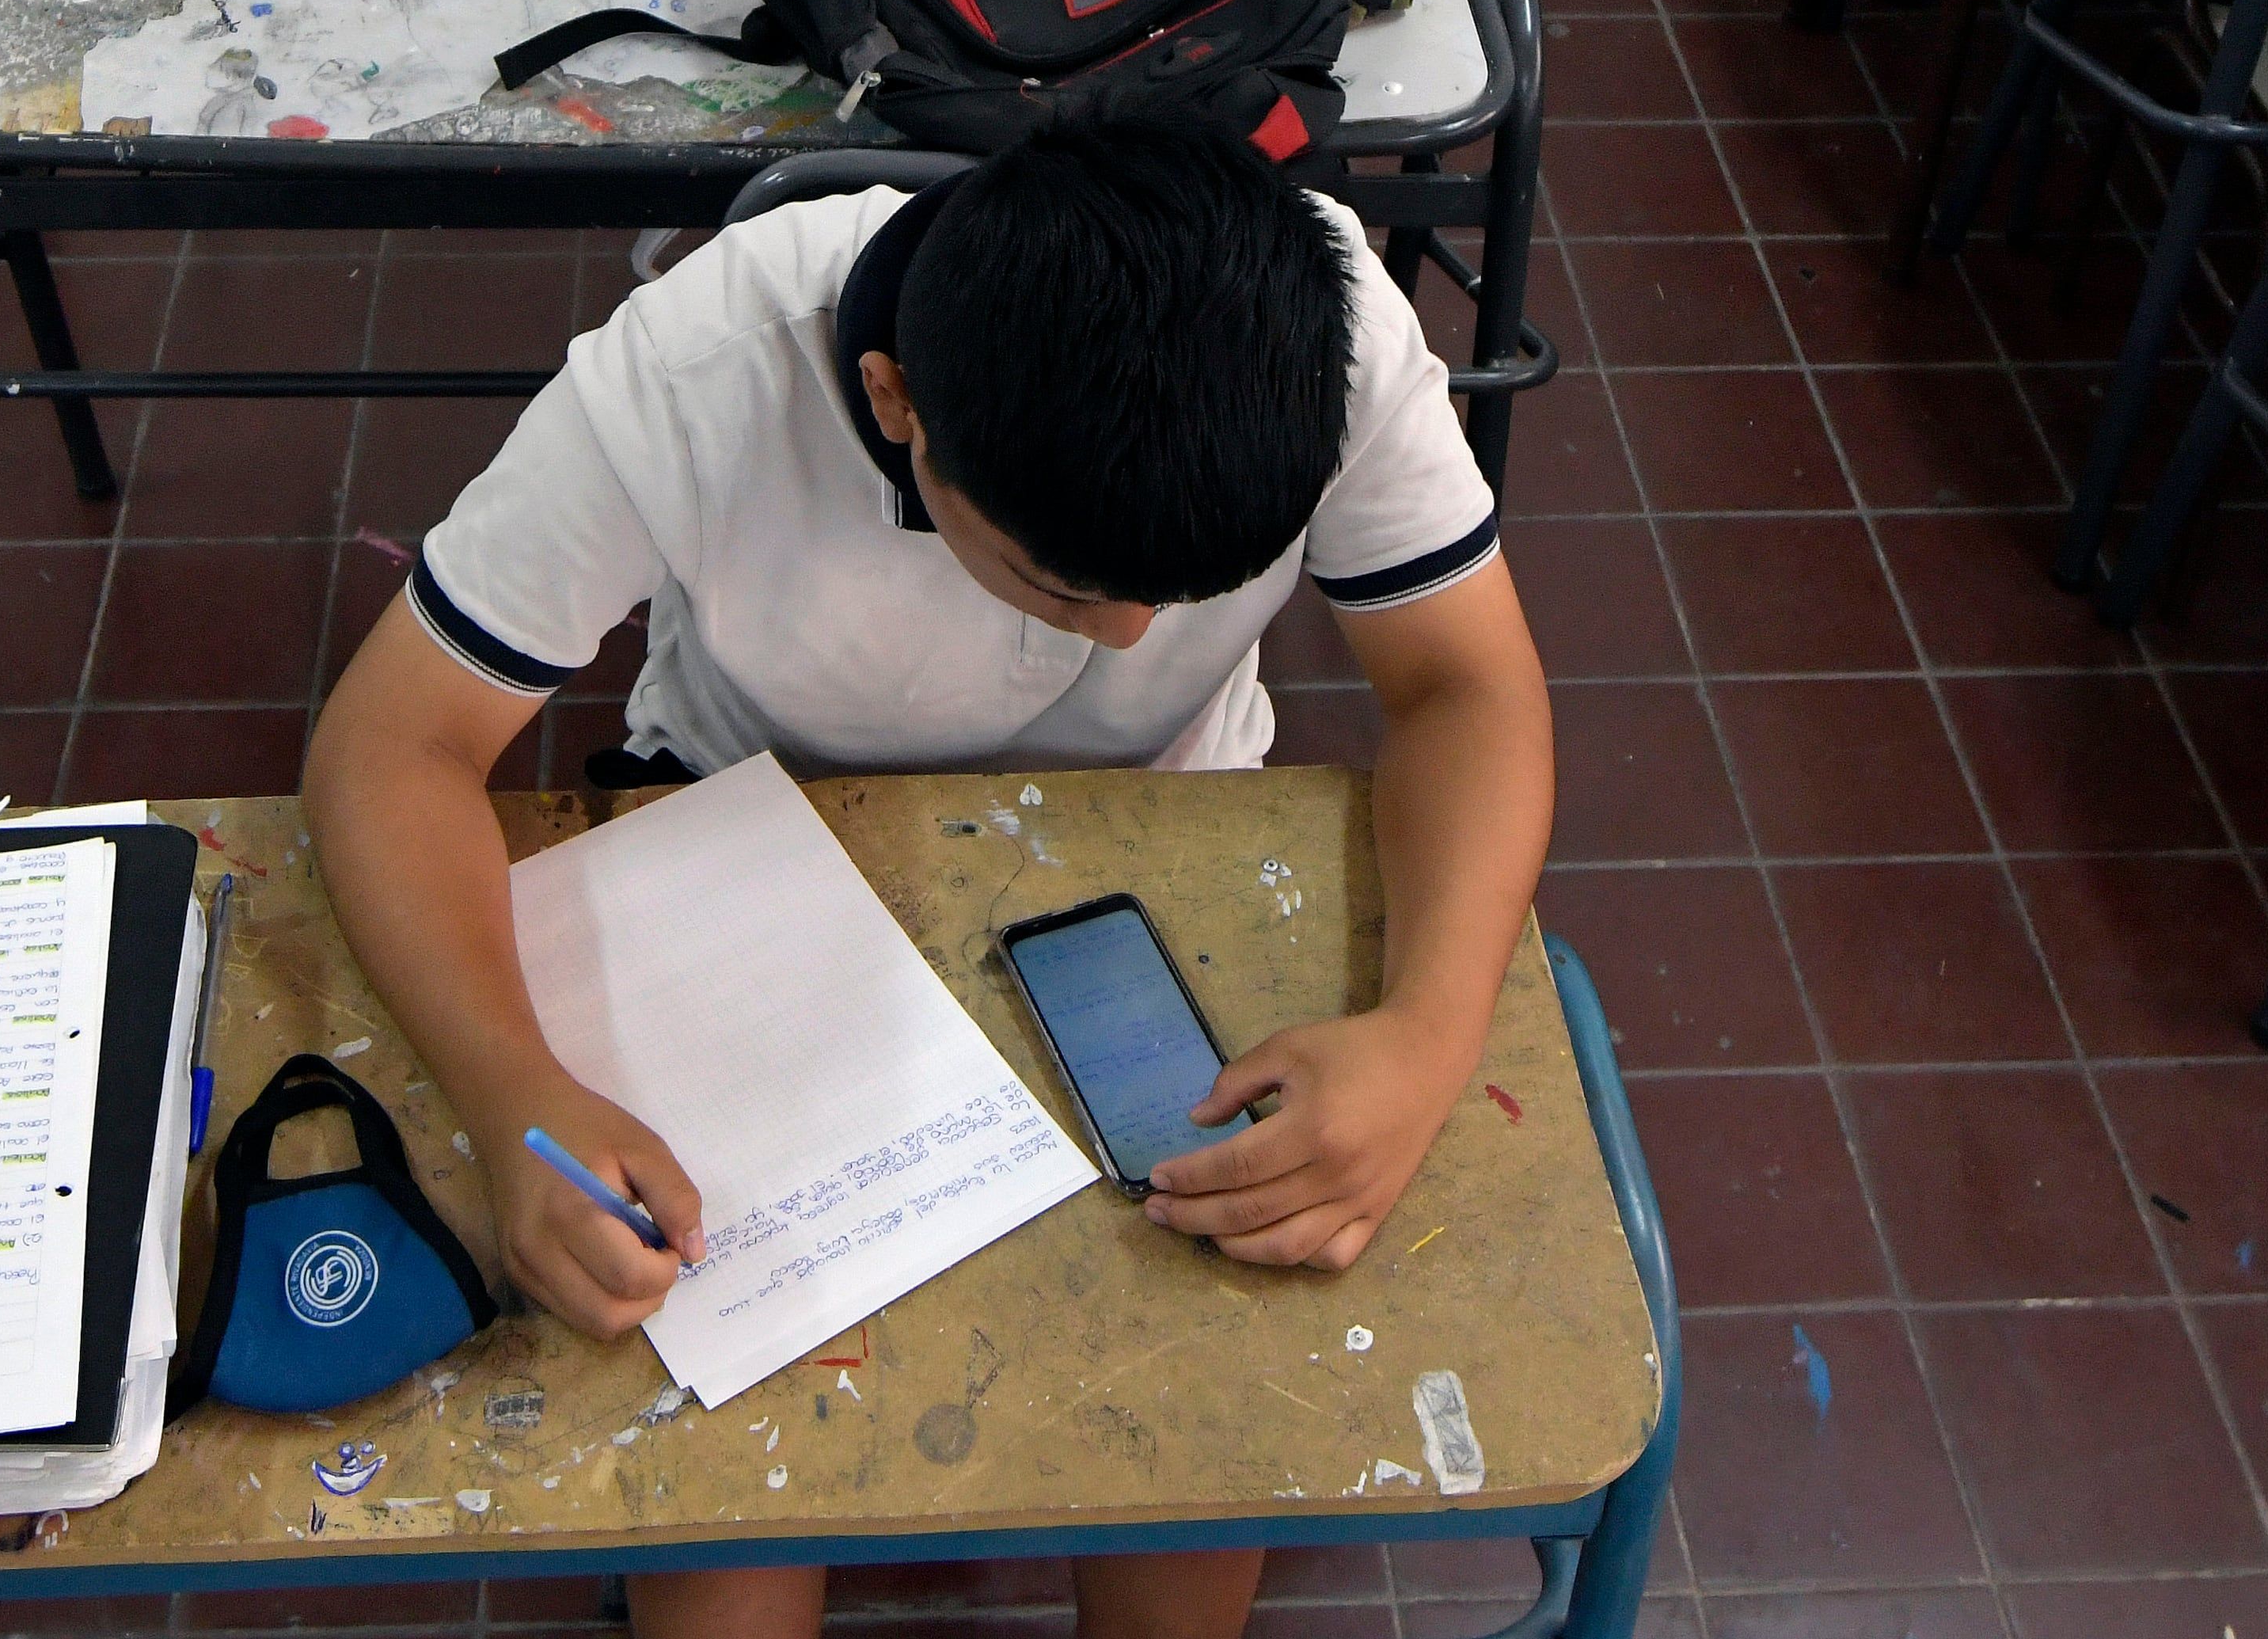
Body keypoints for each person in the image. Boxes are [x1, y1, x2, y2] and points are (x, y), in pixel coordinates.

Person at [302, 116, 1556, 1639]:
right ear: (895, 405)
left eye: (1191, 588)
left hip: (1159, 840)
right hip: (746, 829)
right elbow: (391, 749)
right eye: (1062, 584)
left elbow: (1469, 692)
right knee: (727, 1462)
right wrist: (514, 1096)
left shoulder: (1319, 332)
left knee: (1212, 1397)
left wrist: (1429, 1033)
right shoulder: (694, 374)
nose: (1131, 645)